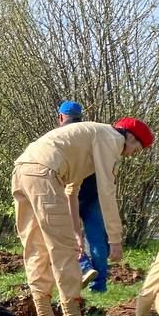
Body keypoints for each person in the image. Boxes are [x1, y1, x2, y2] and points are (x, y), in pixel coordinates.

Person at [12, 116, 152, 316]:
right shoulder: (112, 138)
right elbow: (106, 190)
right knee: (64, 250)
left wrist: (76, 231)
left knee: (36, 247)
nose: (134, 154)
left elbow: (72, 190)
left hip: (23, 170)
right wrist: (115, 239)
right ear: (130, 137)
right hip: (45, 173)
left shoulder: (88, 137)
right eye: (137, 148)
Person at [56, 101, 109, 293]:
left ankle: (84, 268)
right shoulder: (90, 134)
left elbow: (70, 186)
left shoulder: (61, 137)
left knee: (68, 237)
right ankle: (99, 286)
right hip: (94, 192)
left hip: (72, 192)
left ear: (61, 117)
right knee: (96, 240)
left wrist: (77, 232)